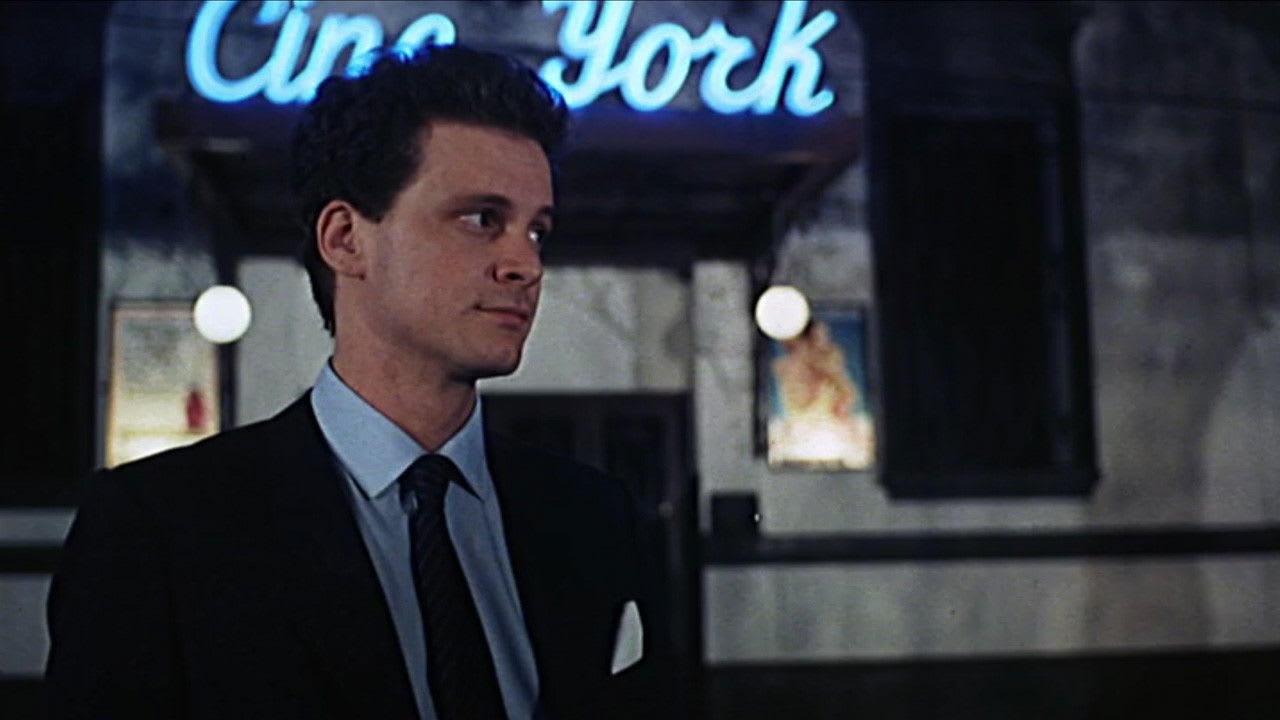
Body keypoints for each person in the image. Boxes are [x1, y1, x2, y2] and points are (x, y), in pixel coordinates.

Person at [45, 44, 665, 720]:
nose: (526, 264)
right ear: (345, 238)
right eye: (482, 219)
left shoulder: (592, 517)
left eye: (536, 231)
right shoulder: (162, 529)